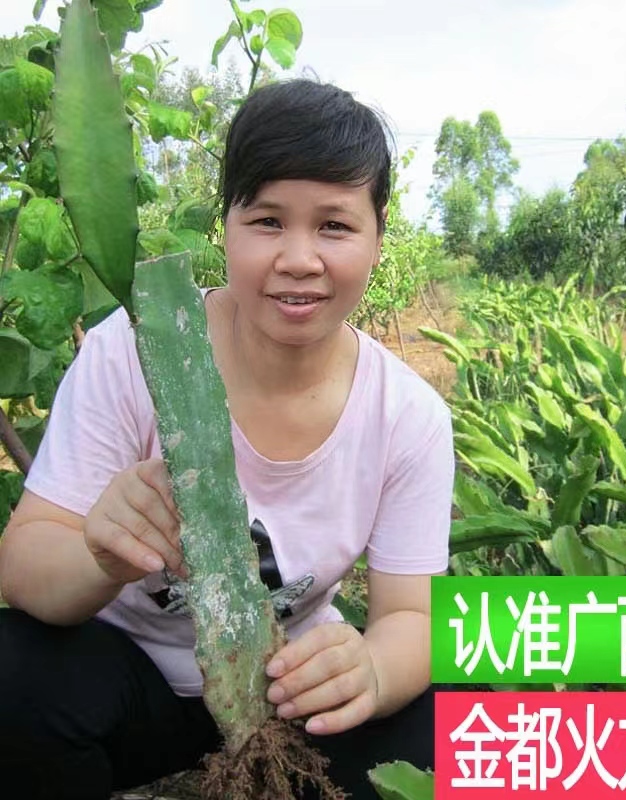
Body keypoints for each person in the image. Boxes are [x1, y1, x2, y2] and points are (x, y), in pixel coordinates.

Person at [0, 78, 455, 800]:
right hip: (133, 677)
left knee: (452, 723)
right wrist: (97, 552)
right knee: (13, 676)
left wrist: (371, 671)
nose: (299, 258)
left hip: (291, 690)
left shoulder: (409, 416)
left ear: (377, 234)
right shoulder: (135, 351)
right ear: (227, 224)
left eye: (334, 226)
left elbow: (411, 617)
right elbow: (24, 562)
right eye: (268, 220)